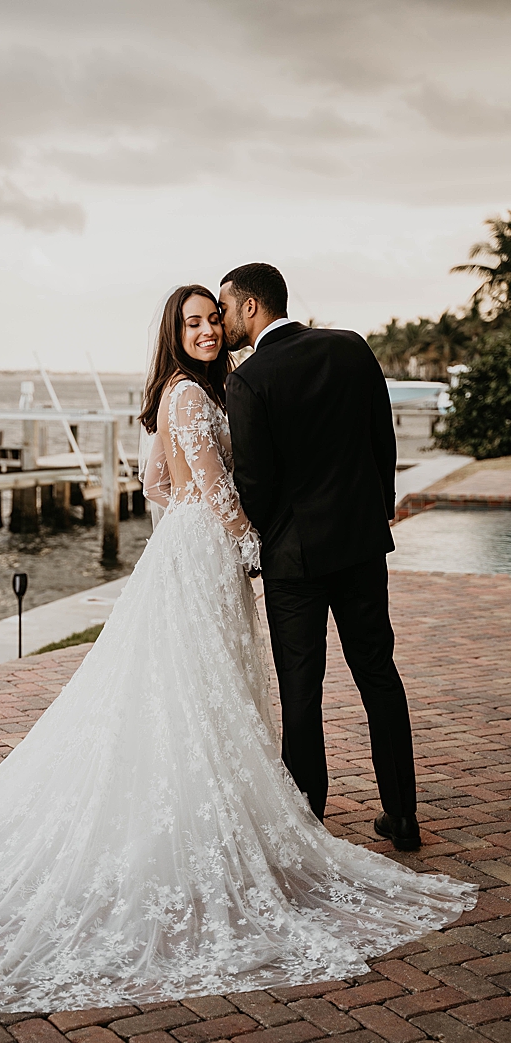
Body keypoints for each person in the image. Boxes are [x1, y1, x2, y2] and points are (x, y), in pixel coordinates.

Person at [0, 285, 474, 1013]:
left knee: (244, 685)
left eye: (211, 318)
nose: (205, 329)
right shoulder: (202, 392)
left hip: (207, 552)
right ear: (174, 330)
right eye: (191, 321)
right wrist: (243, 539)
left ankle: (289, 810)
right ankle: (311, 814)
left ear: (237, 314)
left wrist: (212, 520)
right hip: (217, 553)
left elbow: (159, 481)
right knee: (212, 687)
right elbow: (222, 490)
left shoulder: (225, 383)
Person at [221, 263, 417, 849]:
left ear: (251, 308)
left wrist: (269, 537)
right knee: (379, 674)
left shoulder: (249, 380)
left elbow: (253, 484)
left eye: (227, 309)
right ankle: (403, 816)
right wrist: (375, 510)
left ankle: (309, 820)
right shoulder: (351, 347)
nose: (224, 320)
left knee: (300, 689)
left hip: (293, 560)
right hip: (360, 547)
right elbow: (383, 438)